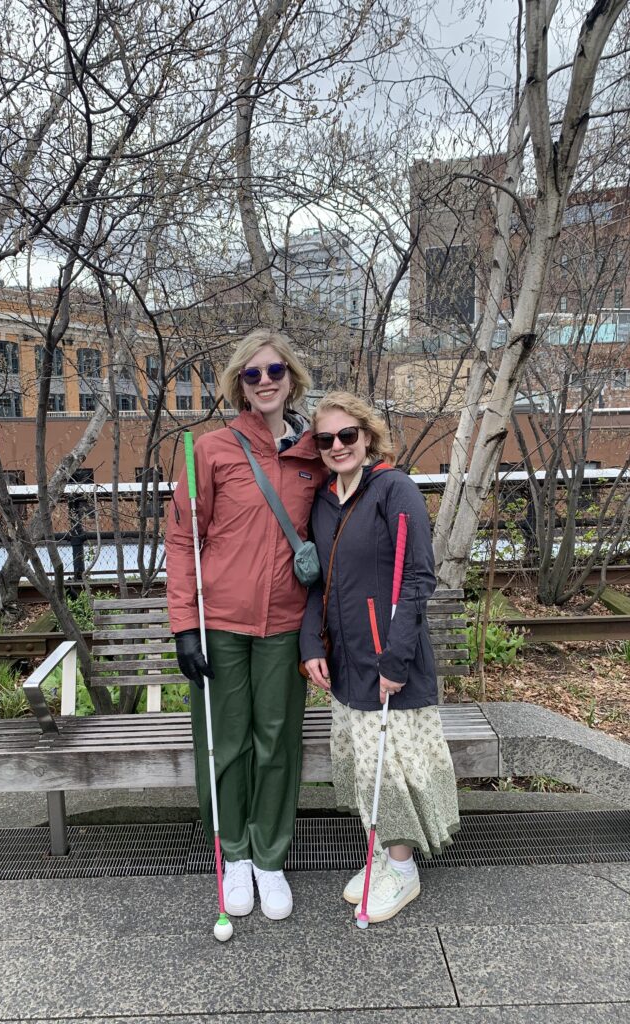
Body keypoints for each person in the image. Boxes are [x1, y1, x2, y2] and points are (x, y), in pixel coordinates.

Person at [166, 328, 326, 922]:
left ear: (292, 379)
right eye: (253, 373)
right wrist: (185, 624)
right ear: (239, 382)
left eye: (275, 371)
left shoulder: (315, 453)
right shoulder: (210, 449)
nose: (265, 381)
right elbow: (182, 539)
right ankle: (234, 853)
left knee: (277, 743)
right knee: (227, 743)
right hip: (222, 625)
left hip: (285, 626)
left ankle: (269, 857)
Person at [300, 392, 460, 924]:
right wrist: (310, 646)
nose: (338, 446)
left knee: (391, 768)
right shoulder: (323, 503)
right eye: (326, 439)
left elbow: (418, 578)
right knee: (366, 767)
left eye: (348, 435)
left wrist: (395, 659)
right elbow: (319, 586)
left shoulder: (395, 490)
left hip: (390, 663)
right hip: (345, 665)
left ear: (367, 436)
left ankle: (402, 868)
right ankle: (380, 854)